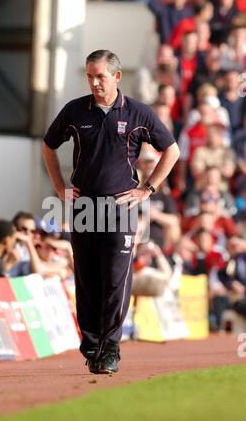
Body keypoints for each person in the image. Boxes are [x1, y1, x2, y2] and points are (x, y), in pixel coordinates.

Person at [42, 50, 179, 374]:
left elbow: (171, 150)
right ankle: (91, 346)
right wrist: (61, 188)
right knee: (87, 278)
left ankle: (111, 347)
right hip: (84, 207)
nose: (94, 82)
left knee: (116, 279)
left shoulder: (137, 112)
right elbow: (49, 145)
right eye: (90, 76)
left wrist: (148, 188)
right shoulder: (75, 110)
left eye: (100, 76)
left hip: (121, 206)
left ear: (117, 77)